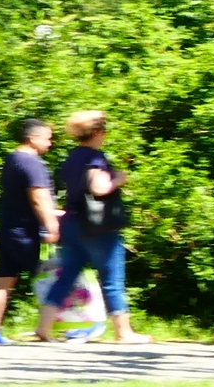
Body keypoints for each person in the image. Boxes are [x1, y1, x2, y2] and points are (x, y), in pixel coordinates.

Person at [34, 110, 148, 345]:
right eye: (104, 131)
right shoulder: (95, 158)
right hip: (97, 228)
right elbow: (99, 188)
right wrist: (118, 179)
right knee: (112, 278)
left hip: (71, 224)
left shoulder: (71, 157)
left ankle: (44, 328)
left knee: (66, 277)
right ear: (97, 133)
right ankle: (123, 332)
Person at [0, 118, 59, 345]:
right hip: (27, 232)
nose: (50, 143)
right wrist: (51, 225)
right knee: (56, 277)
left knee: (4, 279)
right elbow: (39, 198)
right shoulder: (31, 162)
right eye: (48, 138)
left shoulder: (12, 159)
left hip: (9, 228)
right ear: (33, 138)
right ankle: (53, 328)